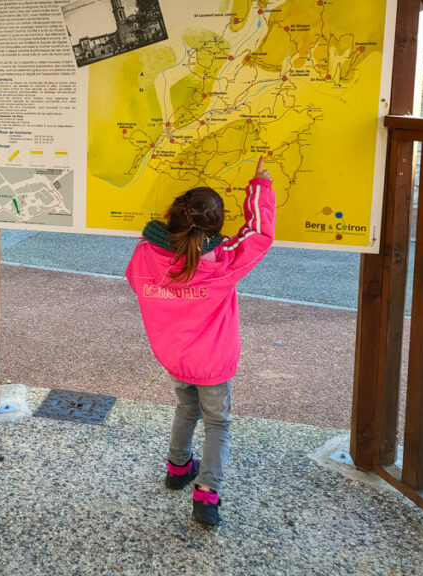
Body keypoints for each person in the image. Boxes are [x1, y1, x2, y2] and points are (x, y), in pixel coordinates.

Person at [125, 157, 276, 526]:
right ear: (216, 226)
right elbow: (258, 235)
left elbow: (134, 280)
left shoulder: (146, 254)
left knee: (185, 408)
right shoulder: (221, 262)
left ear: (171, 214)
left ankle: (178, 469)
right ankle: (207, 493)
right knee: (217, 423)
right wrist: (260, 186)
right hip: (213, 362)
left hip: (173, 355)